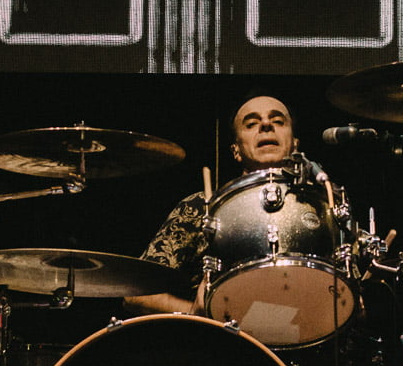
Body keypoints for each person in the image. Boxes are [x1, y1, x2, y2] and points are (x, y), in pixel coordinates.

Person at [123, 94, 299, 316]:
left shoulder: (322, 205)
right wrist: (194, 313)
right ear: (236, 150)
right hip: (222, 335)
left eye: (278, 121)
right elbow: (135, 293)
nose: (266, 125)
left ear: (295, 144)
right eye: (251, 124)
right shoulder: (202, 207)